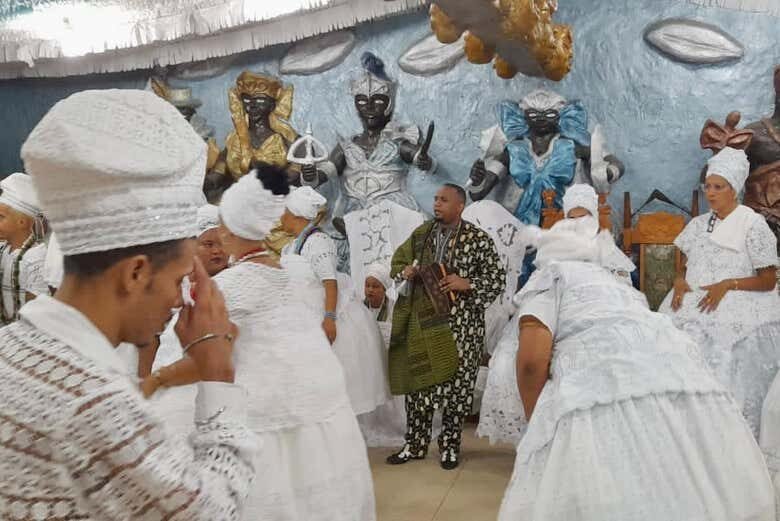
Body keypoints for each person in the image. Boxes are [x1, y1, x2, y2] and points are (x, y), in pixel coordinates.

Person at [0, 89, 258, 520]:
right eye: (178, 278)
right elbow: (206, 513)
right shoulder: (94, 402)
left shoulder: (11, 346)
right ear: (136, 273)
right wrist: (218, 375)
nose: (179, 298)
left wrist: (154, 382)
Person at [496, 217, 774, 520]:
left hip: (598, 381)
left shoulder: (551, 277)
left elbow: (531, 362)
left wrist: (537, 422)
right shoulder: (617, 285)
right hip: (677, 375)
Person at [146, 165, 377, 519]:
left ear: (228, 230)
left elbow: (209, 360)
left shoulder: (233, 286)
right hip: (309, 406)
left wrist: (157, 380)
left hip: (259, 413)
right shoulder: (285, 273)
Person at [477, 184, 636, 445]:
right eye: (571, 218)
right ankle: (538, 435)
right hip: (552, 308)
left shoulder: (606, 250)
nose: (577, 225)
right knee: (510, 359)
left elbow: (623, 287)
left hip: (594, 311)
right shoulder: (552, 251)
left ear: (594, 220)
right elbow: (536, 286)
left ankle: (592, 439)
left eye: (583, 218)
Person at [659, 146, 780, 436]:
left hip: (741, 301)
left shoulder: (753, 224)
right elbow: (684, 266)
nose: (710, 194)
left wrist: (728, 284)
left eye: (718, 187)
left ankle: (722, 433)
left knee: (723, 350)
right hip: (693, 299)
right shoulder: (699, 225)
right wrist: (678, 280)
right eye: (708, 187)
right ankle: (680, 433)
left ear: (734, 189)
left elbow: (769, 280)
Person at [387, 183, 505, 469]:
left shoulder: (478, 239)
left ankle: (450, 447)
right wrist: (406, 271)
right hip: (424, 323)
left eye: (444, 200)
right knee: (419, 386)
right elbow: (398, 262)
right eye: (435, 199)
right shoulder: (422, 235)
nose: (437, 204)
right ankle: (414, 444)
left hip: (462, 327)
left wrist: (468, 283)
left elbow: (497, 279)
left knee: (458, 387)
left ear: (460, 206)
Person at [280, 186, 389, 417]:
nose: (281, 216)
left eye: (284, 211)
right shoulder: (292, 245)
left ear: (296, 214)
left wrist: (329, 318)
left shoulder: (317, 242)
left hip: (322, 311)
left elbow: (330, 282)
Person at [0, 172, 49, 324]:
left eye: (0, 217)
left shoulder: (36, 258)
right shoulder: (3, 249)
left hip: (24, 330)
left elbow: (35, 308)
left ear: (22, 223)